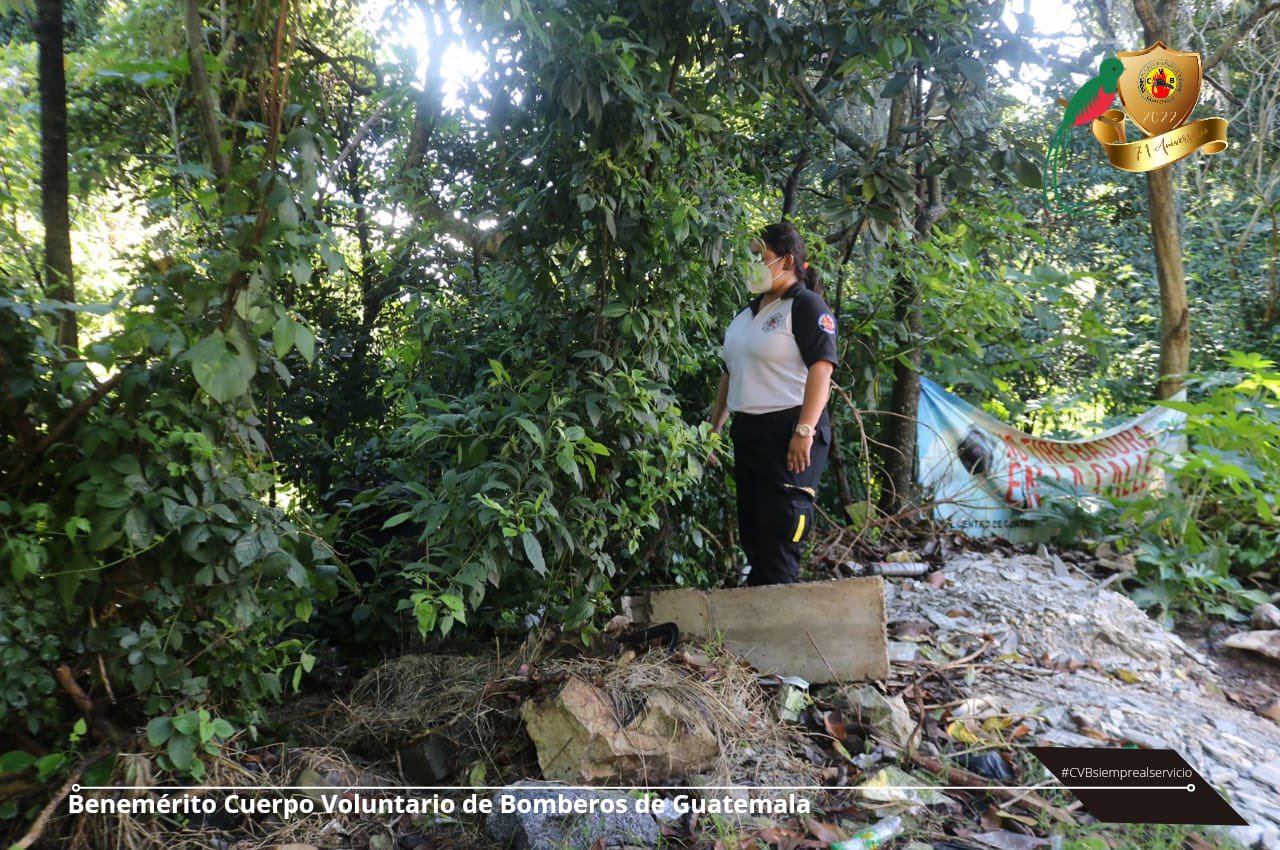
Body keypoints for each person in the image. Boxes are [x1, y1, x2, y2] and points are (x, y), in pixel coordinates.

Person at [709, 221, 838, 586]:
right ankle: (759, 612)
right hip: (749, 432)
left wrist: (805, 430)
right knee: (753, 527)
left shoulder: (807, 307)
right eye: (750, 257)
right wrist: (713, 429)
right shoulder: (746, 316)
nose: (754, 264)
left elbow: (822, 370)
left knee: (782, 526)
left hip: (790, 430)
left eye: (760, 257)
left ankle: (781, 617)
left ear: (788, 260)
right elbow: (730, 373)